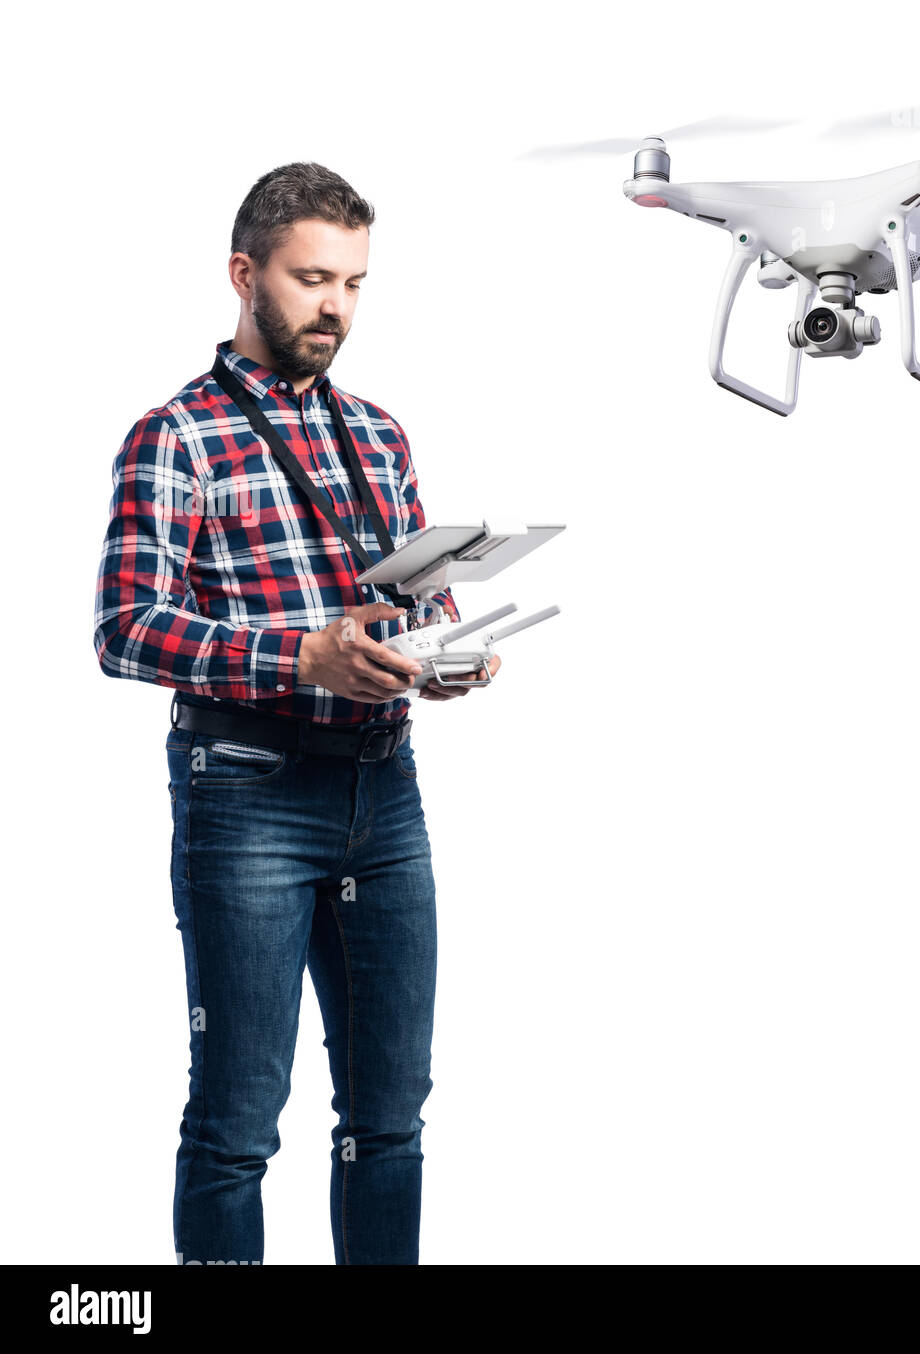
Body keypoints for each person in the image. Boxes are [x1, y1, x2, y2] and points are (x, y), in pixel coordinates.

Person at [93, 161, 498, 1265]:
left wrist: (447, 656)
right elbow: (125, 628)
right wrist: (302, 657)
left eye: (356, 284)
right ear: (244, 274)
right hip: (248, 792)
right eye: (313, 279)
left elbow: (420, 599)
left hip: (385, 790)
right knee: (237, 1120)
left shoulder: (377, 432)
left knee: (390, 1114)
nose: (336, 307)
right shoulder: (172, 435)